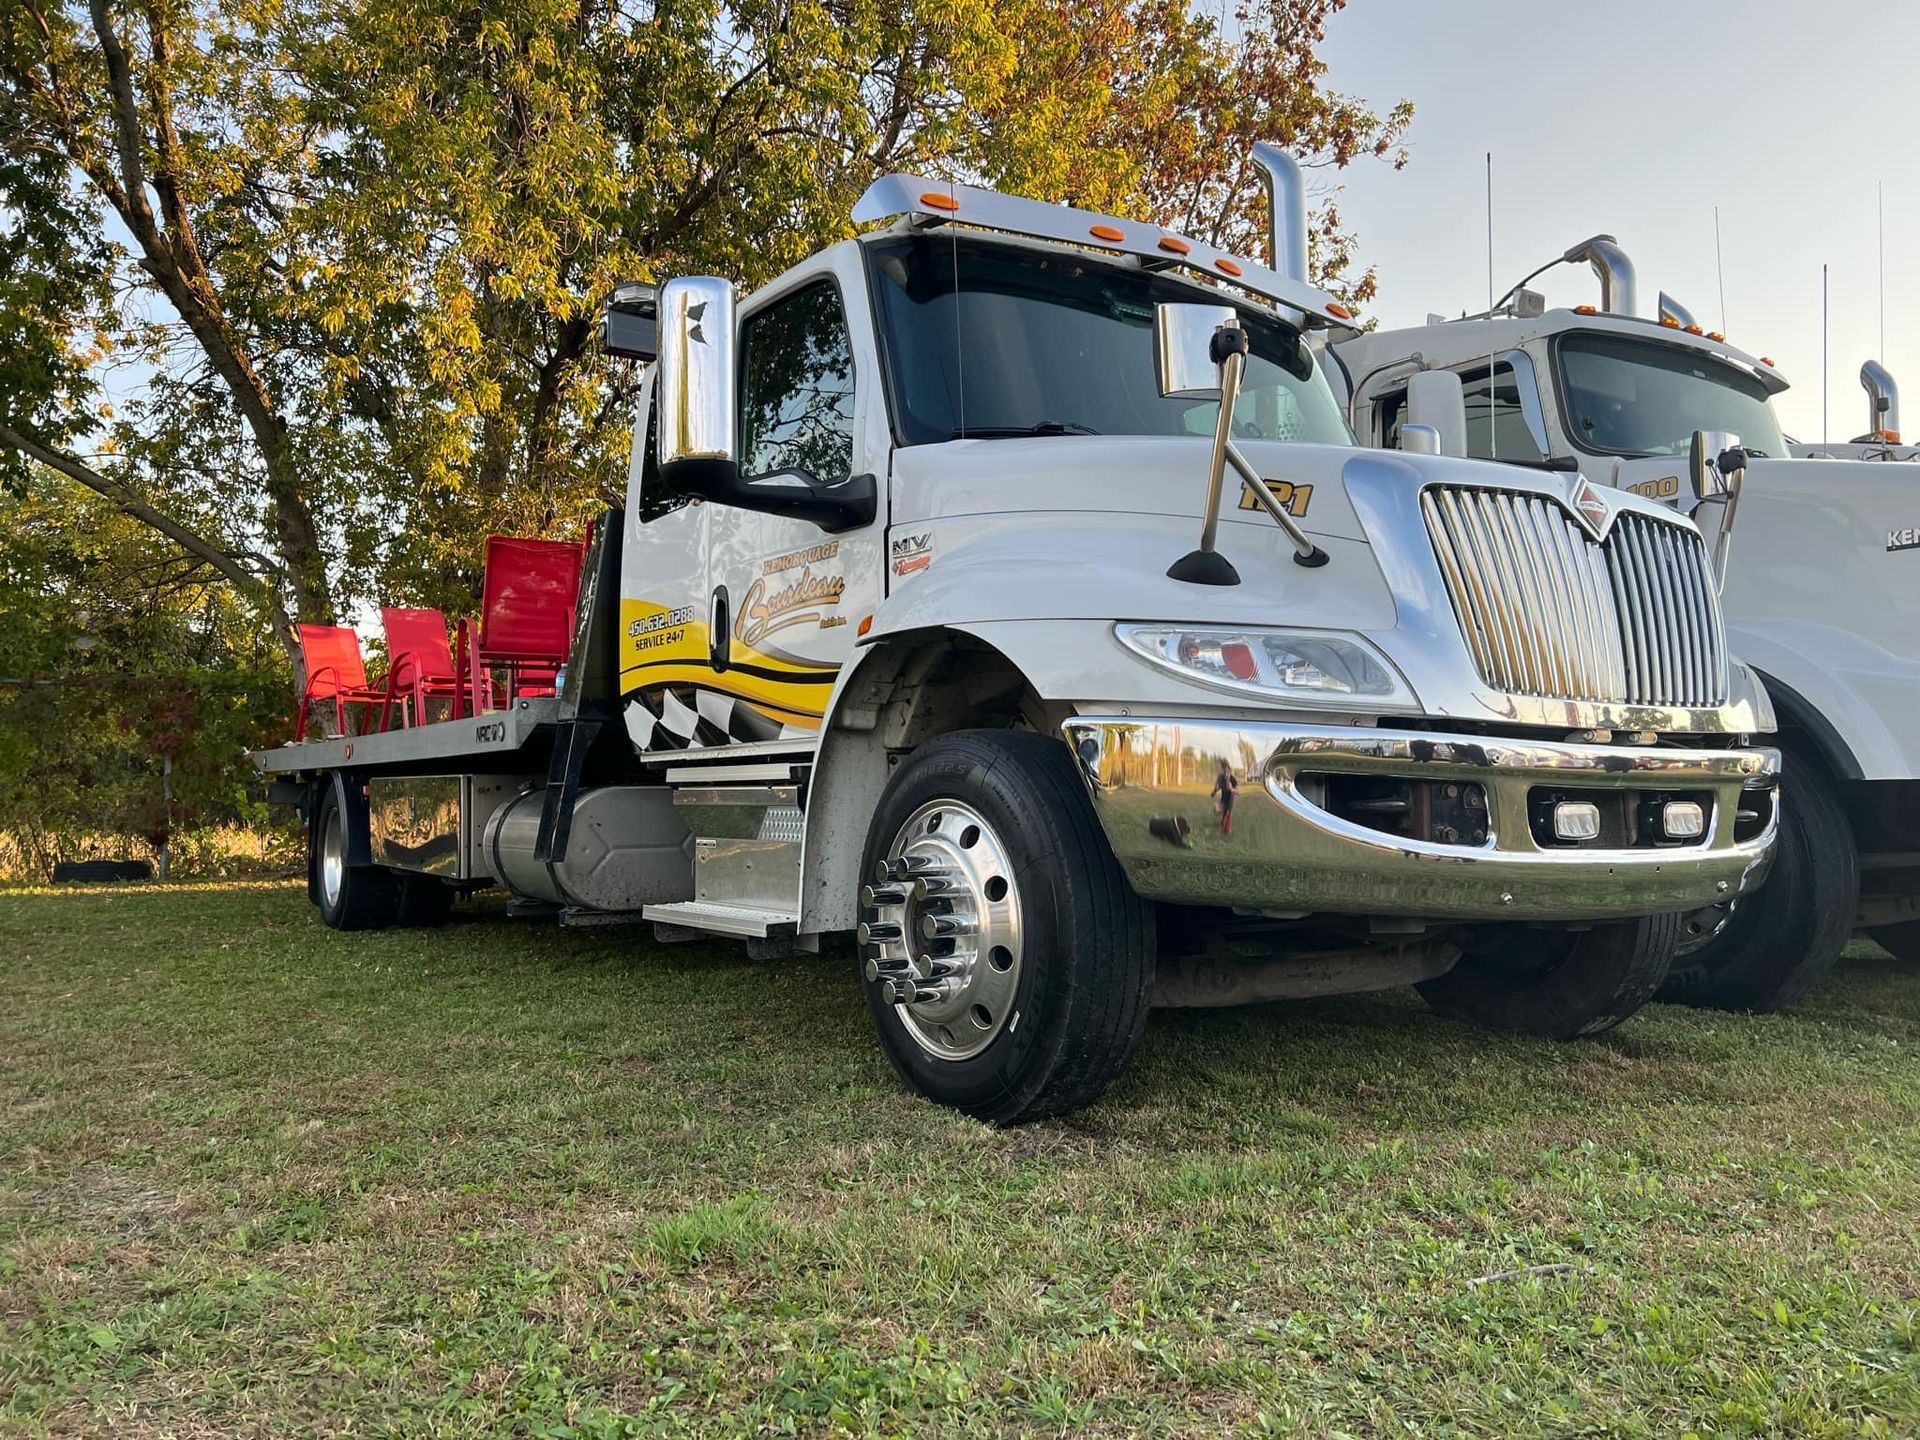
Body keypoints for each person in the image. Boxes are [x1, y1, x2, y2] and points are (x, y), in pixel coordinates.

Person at [1211, 759, 1238, 838]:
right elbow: (1218, 787)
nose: (1226, 773)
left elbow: (1238, 791)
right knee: (1216, 809)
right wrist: (1214, 791)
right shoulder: (1221, 778)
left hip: (1230, 801)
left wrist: (1232, 789)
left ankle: (1226, 825)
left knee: (1227, 830)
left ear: (1229, 771)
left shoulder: (1233, 779)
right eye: (1224, 771)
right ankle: (1223, 819)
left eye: (1227, 771)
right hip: (1223, 801)